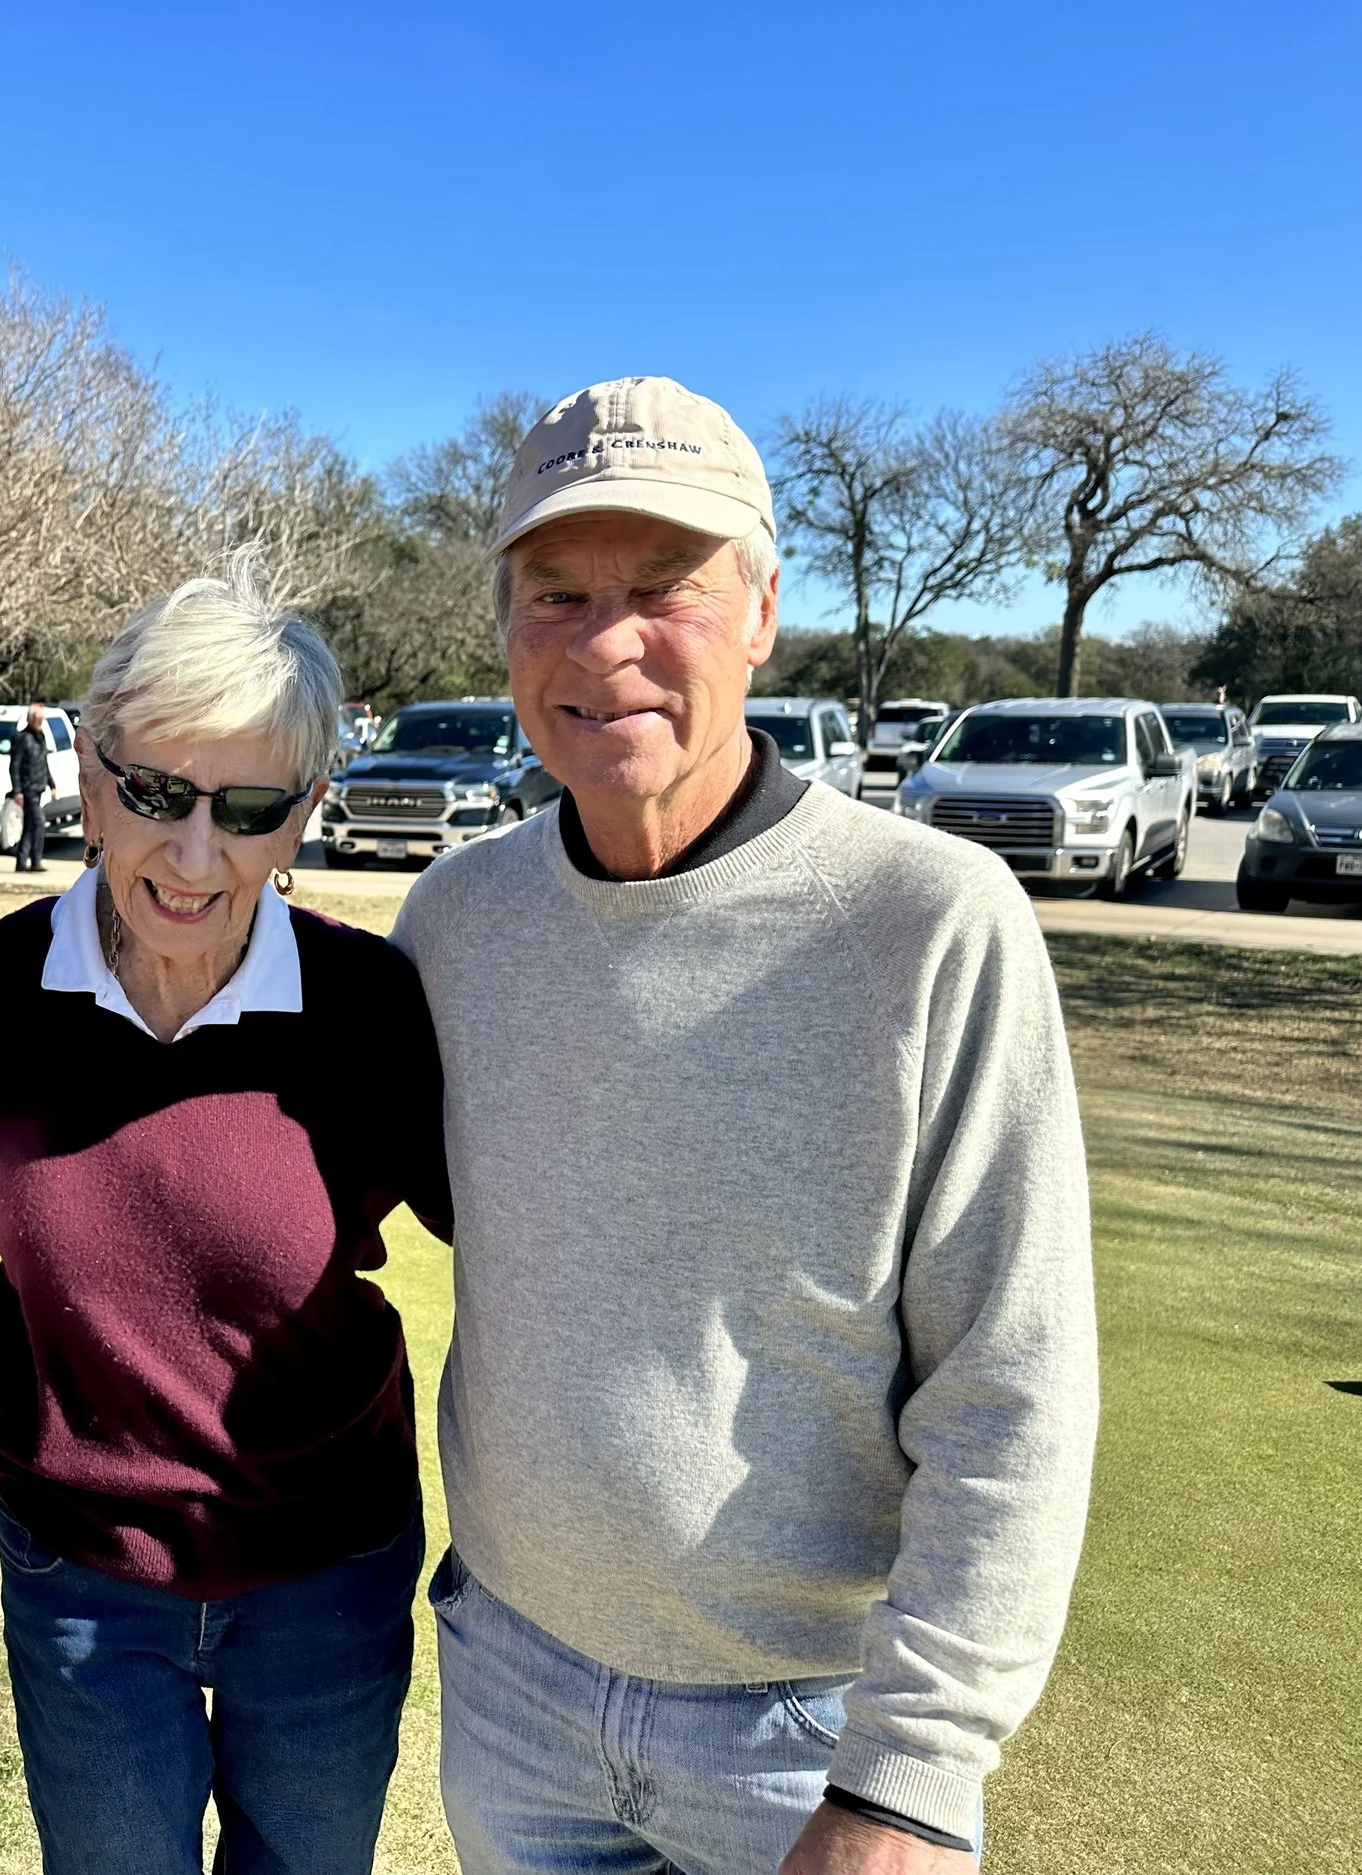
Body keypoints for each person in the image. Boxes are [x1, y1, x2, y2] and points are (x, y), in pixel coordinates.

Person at [392, 377, 1099, 1875]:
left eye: (665, 589)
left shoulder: (930, 919)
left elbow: (1012, 1382)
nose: (605, 644)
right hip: (513, 1682)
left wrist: (910, 1776)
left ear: (764, 609)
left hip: (809, 1734)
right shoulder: (456, 920)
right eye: (557, 592)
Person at [0, 558, 452, 1875]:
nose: (192, 851)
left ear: (305, 815)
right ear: (93, 776)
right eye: (156, 792)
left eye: (247, 807)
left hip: (325, 1571)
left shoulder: (371, 1004)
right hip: (84, 1580)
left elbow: (530, 1236)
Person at [9, 700, 54, 870]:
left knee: (29, 826)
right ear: (30, 719)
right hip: (27, 789)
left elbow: (44, 762)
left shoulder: (40, 738)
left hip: (39, 786)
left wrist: (51, 782)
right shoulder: (22, 738)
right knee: (39, 822)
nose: (40, 722)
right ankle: (36, 860)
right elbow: (14, 766)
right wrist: (17, 791)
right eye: (38, 719)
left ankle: (22, 862)